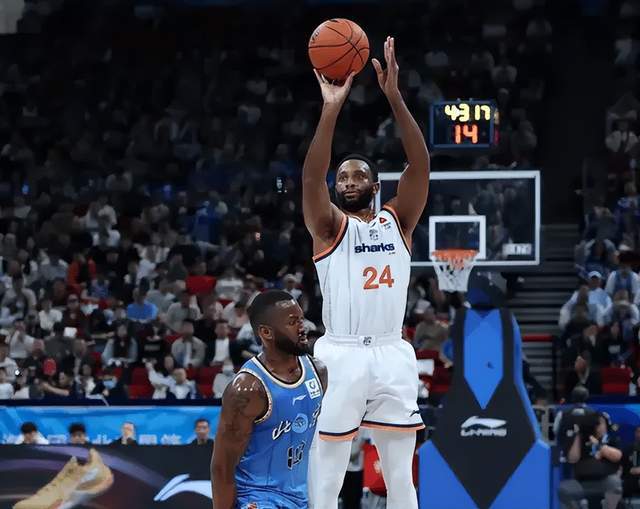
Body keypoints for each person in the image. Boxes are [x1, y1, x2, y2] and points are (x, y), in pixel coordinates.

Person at [303, 37, 428, 509]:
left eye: (358, 176)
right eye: (343, 177)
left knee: (401, 476)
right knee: (328, 474)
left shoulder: (399, 220)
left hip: (392, 351)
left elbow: (420, 165)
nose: (349, 181)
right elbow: (311, 179)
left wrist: (394, 96)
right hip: (341, 352)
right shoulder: (328, 227)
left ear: (376, 186)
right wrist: (330, 109)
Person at [211, 290, 327, 509]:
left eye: (301, 319)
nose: (303, 327)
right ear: (266, 332)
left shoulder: (318, 372)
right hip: (256, 499)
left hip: (298, 498)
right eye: (292, 322)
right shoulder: (247, 389)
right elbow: (222, 467)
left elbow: (310, 445)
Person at [558, 413, 623, 509]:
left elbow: (617, 456)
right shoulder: (580, 440)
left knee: (615, 482)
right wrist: (578, 435)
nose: (601, 427)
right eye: (597, 424)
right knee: (564, 489)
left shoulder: (611, 440)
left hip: (604, 481)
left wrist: (598, 445)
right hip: (582, 482)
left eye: (602, 423)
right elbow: (573, 459)